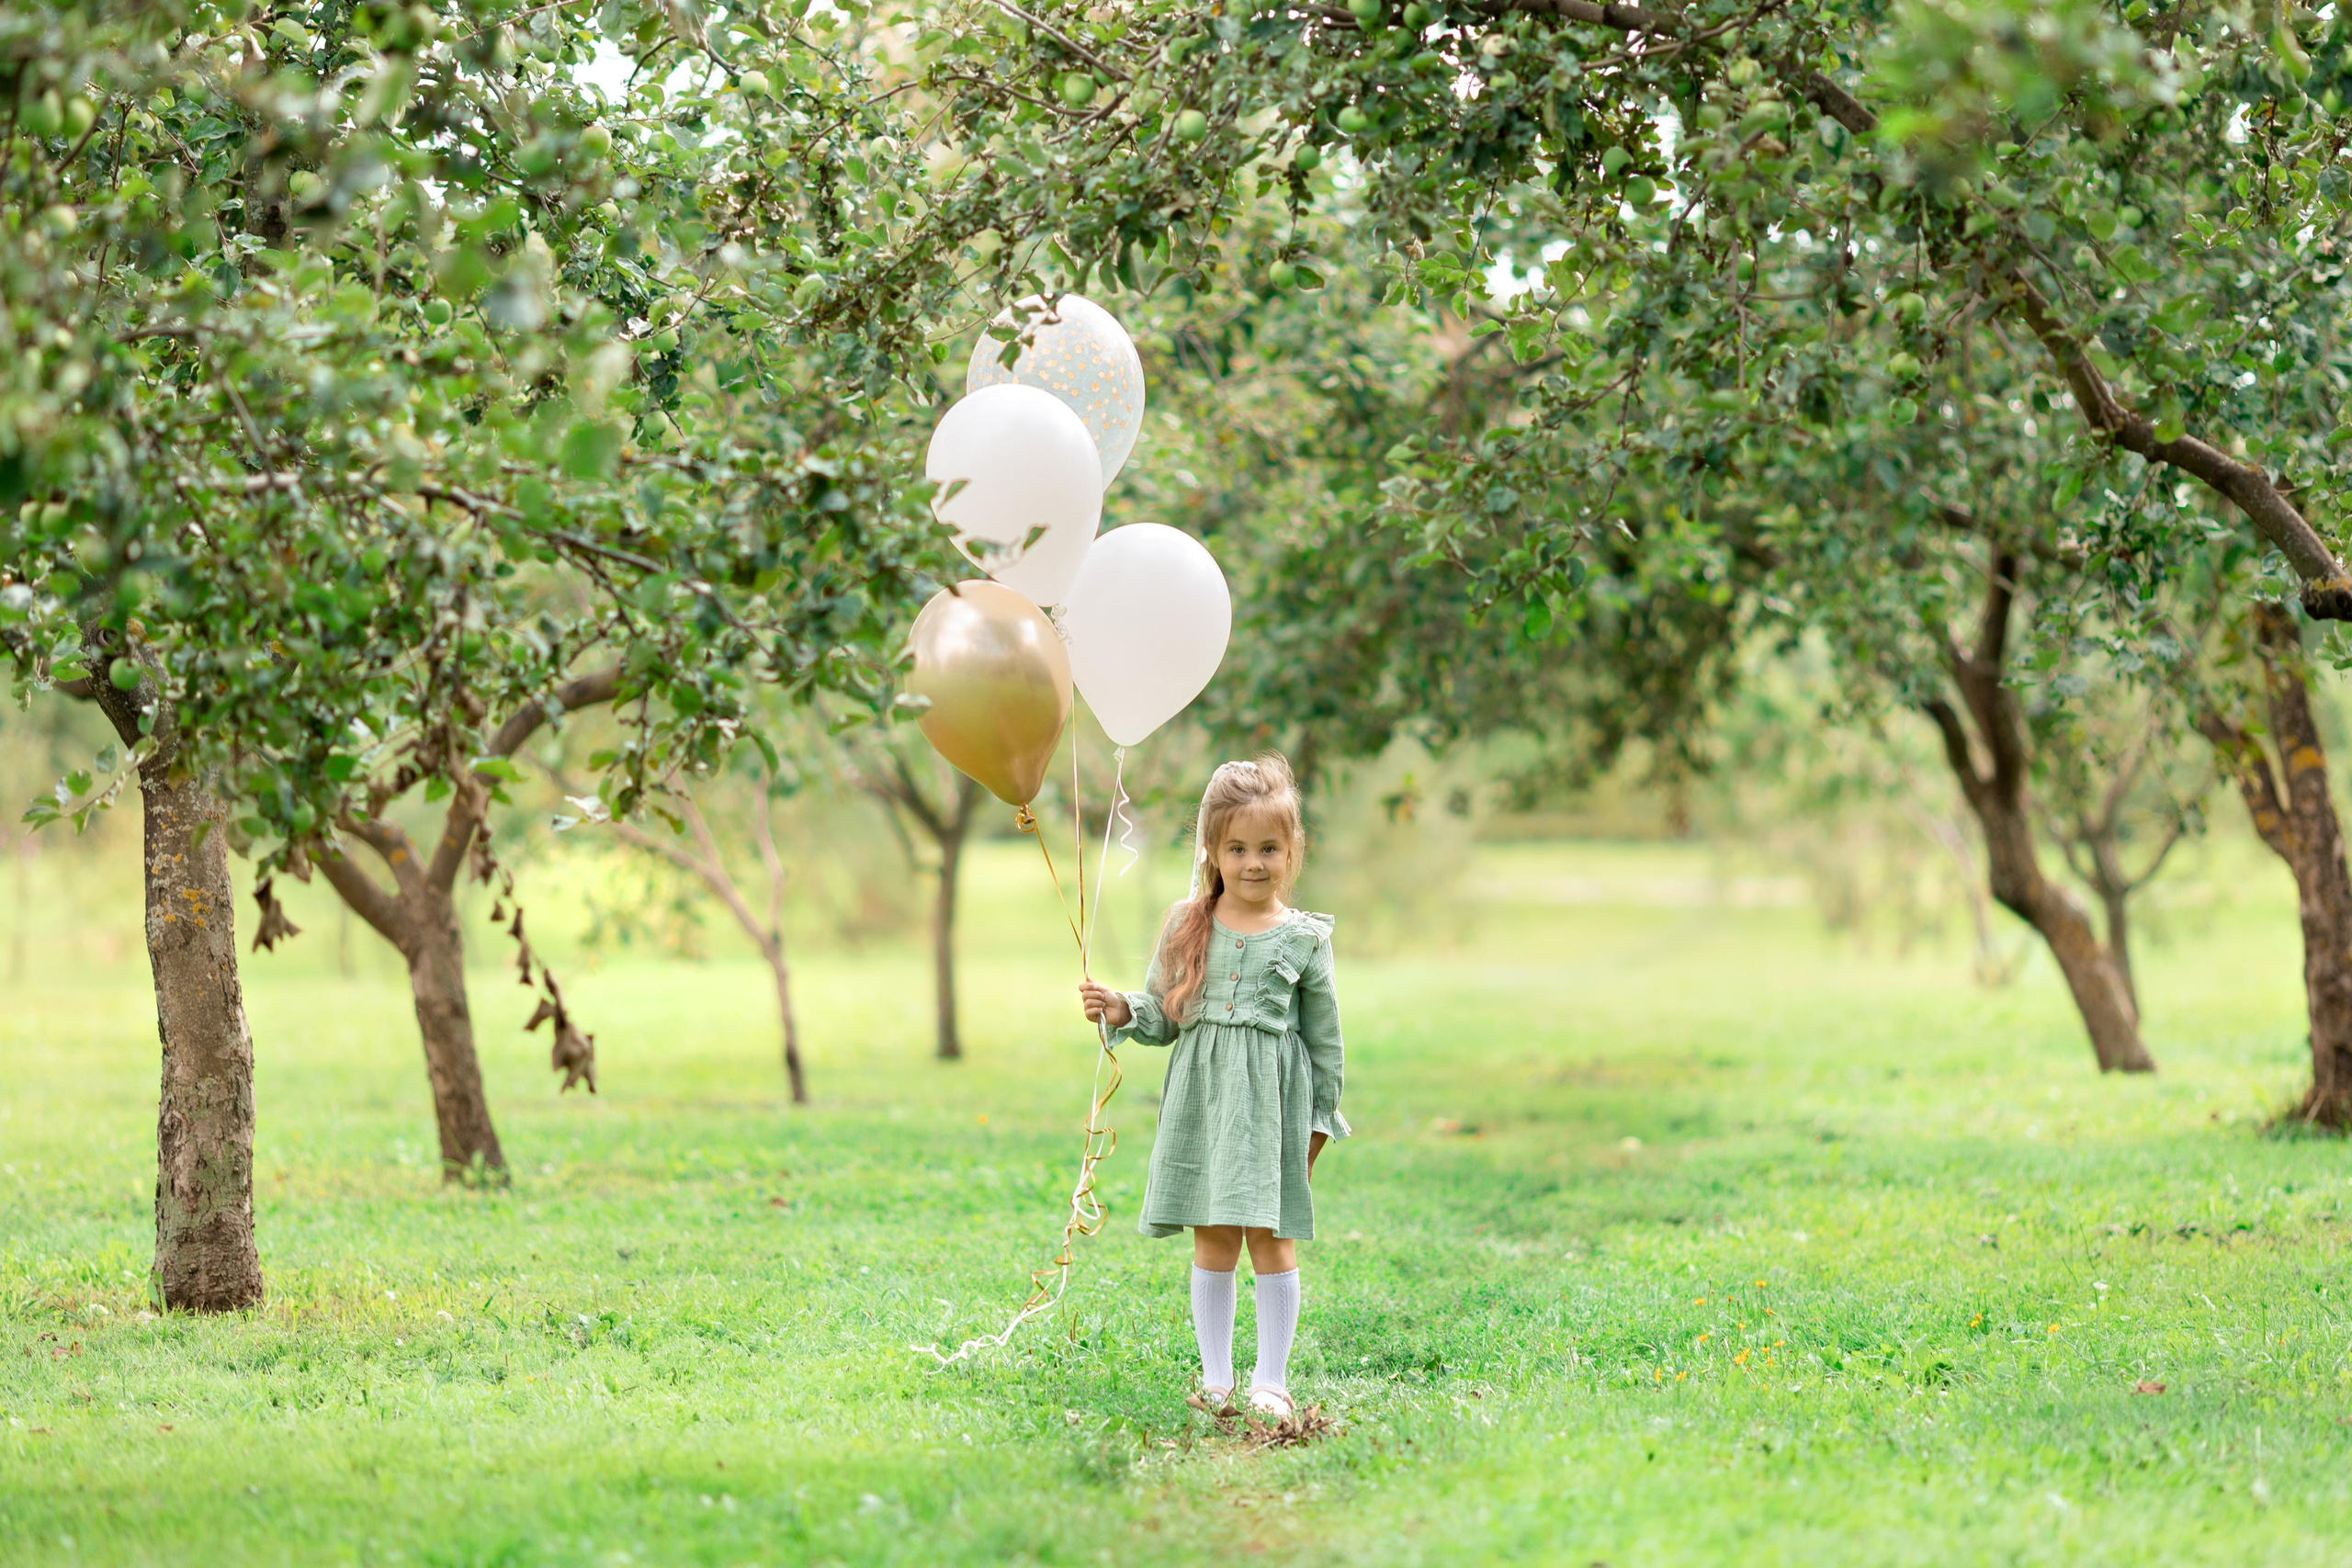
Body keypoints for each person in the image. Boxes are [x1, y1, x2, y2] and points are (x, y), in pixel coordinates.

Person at [1078, 754, 1348, 1417]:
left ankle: (1271, 1381)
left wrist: (1320, 1121)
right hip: (1203, 1102)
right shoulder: (1187, 922)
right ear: (1213, 850)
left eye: (1269, 848)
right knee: (1215, 1235)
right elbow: (1163, 1012)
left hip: (1272, 1108)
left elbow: (1326, 1041)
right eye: (1238, 848)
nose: (1253, 863)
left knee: (1270, 1236)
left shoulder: (1305, 939)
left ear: (1293, 849)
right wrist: (1122, 1008)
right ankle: (1218, 1381)